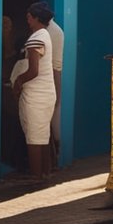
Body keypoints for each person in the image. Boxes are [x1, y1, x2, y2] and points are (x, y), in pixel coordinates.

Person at [12, 2, 58, 181]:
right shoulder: (45, 35)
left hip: (36, 95)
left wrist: (18, 81)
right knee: (43, 134)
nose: (27, 18)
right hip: (46, 93)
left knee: (34, 137)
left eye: (30, 16)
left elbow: (33, 70)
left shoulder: (36, 38)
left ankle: (36, 176)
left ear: (37, 18)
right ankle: (45, 173)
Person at [47, 14, 65, 168]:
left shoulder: (47, 32)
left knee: (50, 117)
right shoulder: (56, 30)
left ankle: (52, 158)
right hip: (54, 72)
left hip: (51, 73)